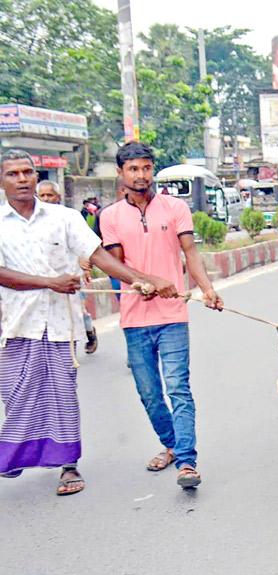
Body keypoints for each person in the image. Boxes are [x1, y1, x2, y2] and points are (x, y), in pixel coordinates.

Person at [0, 149, 173, 496]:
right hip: (14, 324)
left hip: (60, 326)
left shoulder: (63, 218)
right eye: (13, 174)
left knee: (63, 394)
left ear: (37, 176)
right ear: (2, 180)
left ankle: (67, 465)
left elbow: (98, 256)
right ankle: (17, 453)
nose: (22, 180)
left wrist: (141, 279)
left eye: (27, 172)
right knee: (15, 393)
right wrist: (49, 282)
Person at [100, 142, 223, 490]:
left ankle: (186, 461)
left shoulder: (175, 208)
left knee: (179, 389)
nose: (141, 175)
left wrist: (206, 289)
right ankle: (170, 444)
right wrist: (148, 281)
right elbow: (117, 265)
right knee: (149, 393)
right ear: (121, 173)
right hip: (134, 317)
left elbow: (190, 252)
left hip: (172, 315)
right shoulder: (109, 216)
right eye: (133, 169)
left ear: (153, 170)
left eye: (146, 168)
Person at [37, 180, 100, 354]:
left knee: (77, 310)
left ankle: (88, 334)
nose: (46, 198)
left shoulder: (69, 217)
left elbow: (84, 247)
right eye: (42, 195)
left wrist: (86, 269)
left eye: (50, 195)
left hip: (71, 278)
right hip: (45, 282)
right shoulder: (31, 222)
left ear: (58, 197)